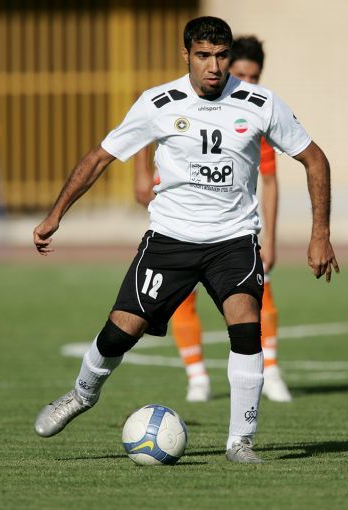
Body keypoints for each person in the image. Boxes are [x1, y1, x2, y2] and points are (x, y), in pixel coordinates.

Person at [32, 16, 338, 464]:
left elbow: (315, 159)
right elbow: (100, 157)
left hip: (233, 239)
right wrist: (55, 214)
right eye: (203, 56)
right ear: (186, 55)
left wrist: (320, 234)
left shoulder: (260, 102)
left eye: (221, 56)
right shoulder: (158, 102)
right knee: (120, 331)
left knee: (246, 325)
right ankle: (81, 394)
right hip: (170, 239)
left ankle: (240, 441)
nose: (214, 66)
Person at [133, 36, 291, 403]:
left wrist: (270, 240)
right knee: (180, 298)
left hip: (234, 230)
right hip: (183, 222)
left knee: (258, 298)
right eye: (241, 75)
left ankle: (271, 370)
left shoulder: (255, 115)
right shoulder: (187, 100)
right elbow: (145, 119)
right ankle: (197, 376)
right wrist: (141, 173)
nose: (247, 83)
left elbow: (270, 181)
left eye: (254, 77)